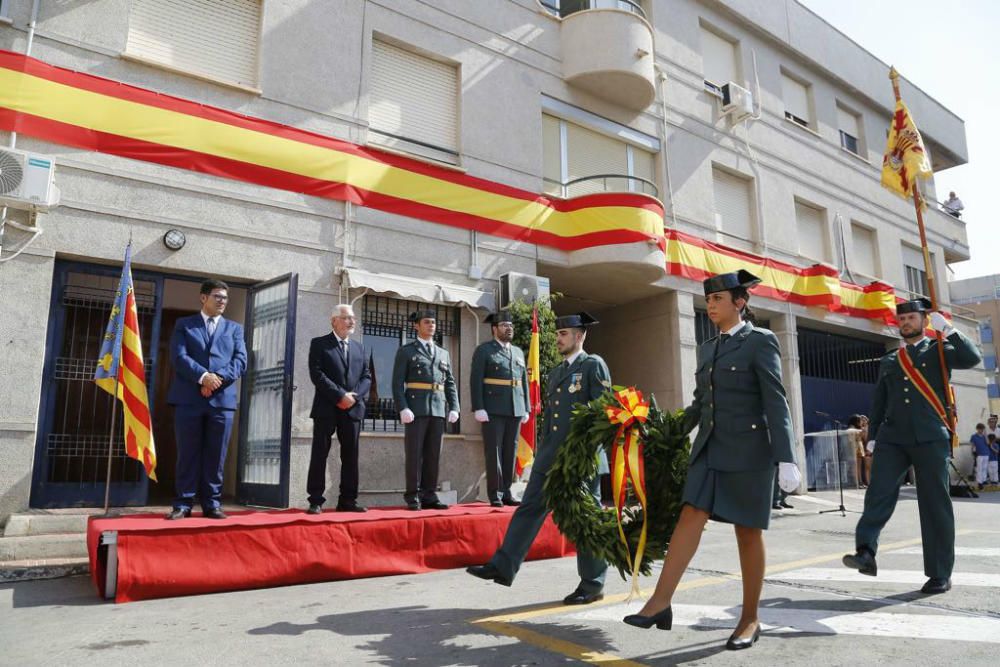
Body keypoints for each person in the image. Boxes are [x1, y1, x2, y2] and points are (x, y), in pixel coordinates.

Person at [623, 270, 800, 651]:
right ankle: (660, 602)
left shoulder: (761, 342)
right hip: (709, 449)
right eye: (709, 299)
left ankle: (751, 617)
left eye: (718, 299)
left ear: (740, 302)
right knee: (691, 515)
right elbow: (702, 405)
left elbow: (776, 399)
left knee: (747, 532)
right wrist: (667, 429)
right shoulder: (708, 348)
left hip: (750, 451)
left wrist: (787, 458)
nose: (711, 305)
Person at [466, 312, 610, 605]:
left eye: (564, 334)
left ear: (580, 335)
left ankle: (593, 584)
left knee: (586, 519)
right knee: (529, 507)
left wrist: (587, 454)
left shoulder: (593, 365)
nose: (558, 339)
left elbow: (603, 415)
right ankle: (503, 566)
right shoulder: (557, 372)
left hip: (579, 457)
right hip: (549, 456)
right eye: (557, 334)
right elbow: (551, 419)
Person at [843, 298, 981, 594]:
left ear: (924, 320)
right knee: (878, 493)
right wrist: (873, 437)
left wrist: (950, 330)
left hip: (931, 437)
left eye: (911, 317)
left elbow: (972, 358)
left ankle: (940, 572)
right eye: (901, 318)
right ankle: (866, 552)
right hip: (893, 438)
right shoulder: (890, 360)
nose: (905, 322)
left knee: (934, 504)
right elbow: (879, 401)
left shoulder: (940, 351)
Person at [166, 279, 247, 520]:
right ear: (203, 298)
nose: (222, 301)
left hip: (222, 401)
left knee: (216, 454)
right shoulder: (184, 325)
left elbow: (240, 361)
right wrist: (203, 377)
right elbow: (179, 357)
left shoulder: (234, 329)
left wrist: (216, 380)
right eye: (217, 296)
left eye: (225, 297)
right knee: (187, 452)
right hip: (188, 399)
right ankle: (183, 503)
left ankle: (212, 503)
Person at [306, 304, 372, 514]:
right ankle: (315, 500)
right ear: (333, 320)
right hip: (327, 407)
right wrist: (339, 395)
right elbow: (317, 374)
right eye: (346, 318)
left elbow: (367, 377)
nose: (351, 321)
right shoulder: (320, 344)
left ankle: (348, 500)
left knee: (351, 455)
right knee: (319, 454)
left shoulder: (359, 347)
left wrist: (353, 396)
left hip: (352, 408)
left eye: (352, 318)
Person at [392, 309, 459, 510]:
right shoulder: (407, 351)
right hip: (416, 408)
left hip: (437, 409)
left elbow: (449, 383)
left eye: (433, 323)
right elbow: (397, 383)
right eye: (427, 322)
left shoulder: (443, 353)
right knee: (414, 454)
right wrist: (403, 407)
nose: (431, 326)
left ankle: (429, 495)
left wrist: (454, 406)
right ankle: (413, 495)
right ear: (416, 326)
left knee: (433, 455)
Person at [470, 310, 530, 507]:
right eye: (505, 325)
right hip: (493, 408)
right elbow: (476, 380)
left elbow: (524, 381)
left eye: (511, 326)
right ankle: (494, 494)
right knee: (493, 451)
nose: (509, 328)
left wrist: (526, 407)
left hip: (515, 408)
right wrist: (479, 407)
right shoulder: (484, 350)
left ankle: (506, 492)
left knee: (510, 452)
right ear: (495, 329)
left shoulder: (518, 352)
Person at [847, 414, 868, 489]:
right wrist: (859, 433)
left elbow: (864, 438)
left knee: (859, 467)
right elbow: (850, 439)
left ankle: (861, 481)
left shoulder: (859, 429)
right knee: (855, 467)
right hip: (854, 448)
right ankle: (857, 482)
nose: (860, 422)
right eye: (859, 421)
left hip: (859, 447)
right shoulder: (851, 429)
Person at [971, 424, 989, 489]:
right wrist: (973, 452)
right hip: (979, 454)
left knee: (984, 468)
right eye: (980, 429)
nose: (981, 430)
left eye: (982, 429)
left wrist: (985, 434)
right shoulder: (974, 436)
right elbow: (972, 445)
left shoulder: (984, 436)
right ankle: (979, 482)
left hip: (986, 454)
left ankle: (984, 480)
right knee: (979, 468)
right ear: (977, 429)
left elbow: (988, 443)